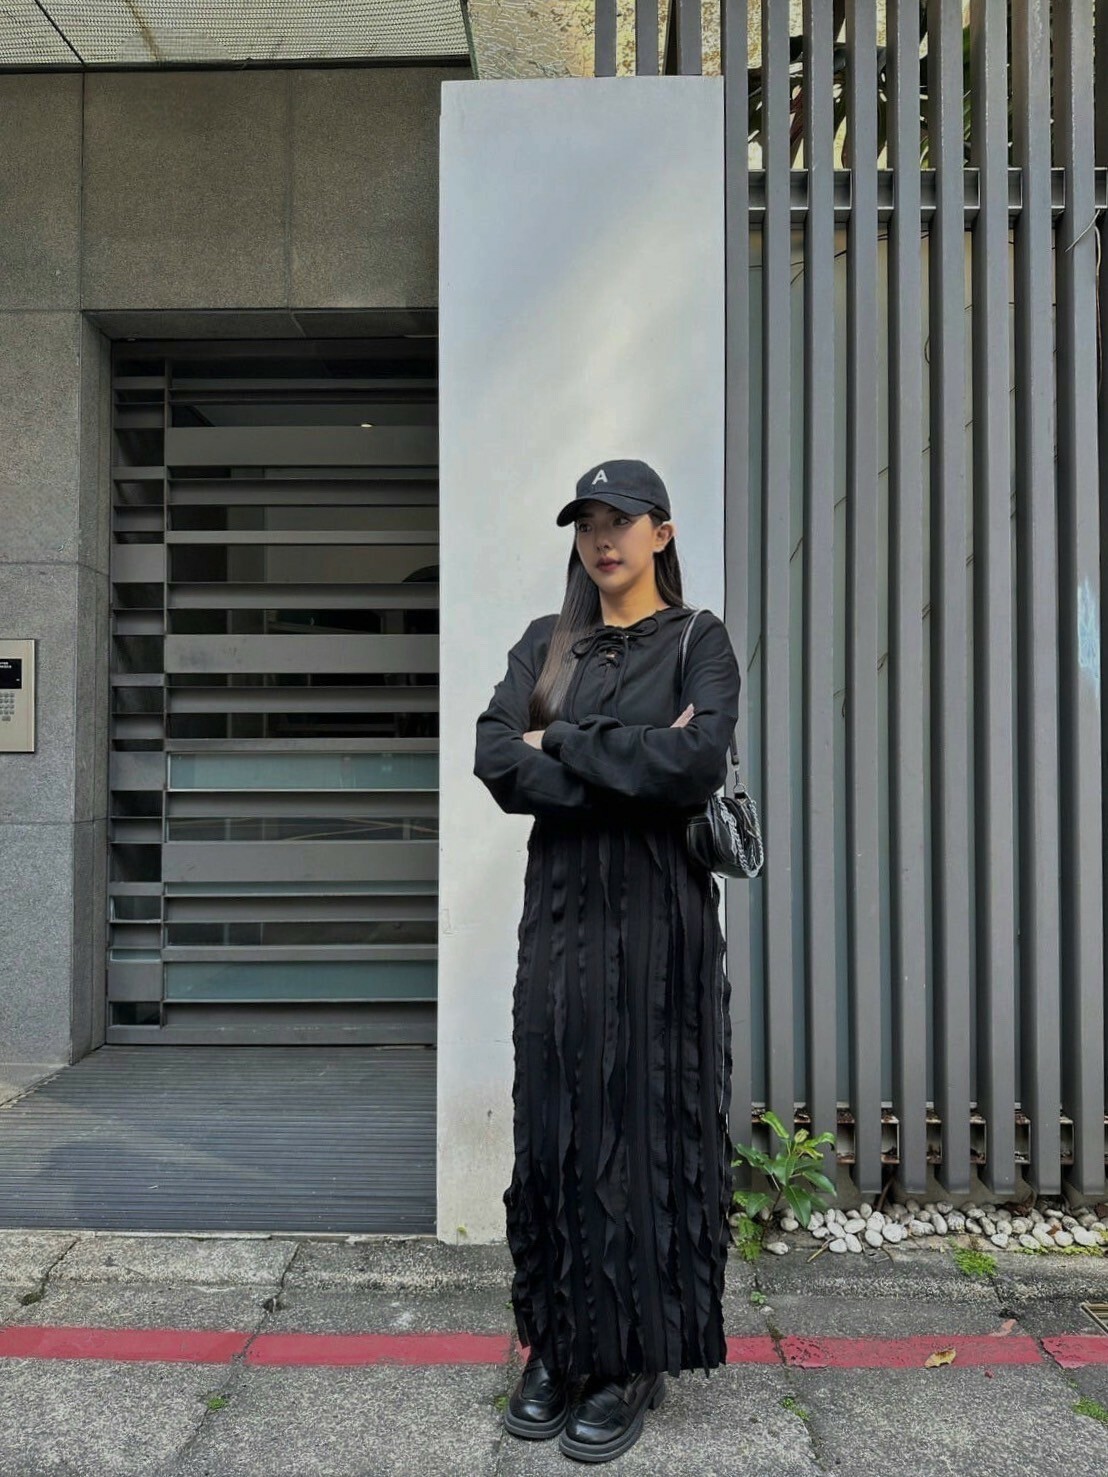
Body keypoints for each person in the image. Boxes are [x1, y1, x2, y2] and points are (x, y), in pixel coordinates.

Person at [473, 459, 741, 1464]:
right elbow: (496, 757)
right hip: (560, 920)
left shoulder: (699, 640)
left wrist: (563, 740)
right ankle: (557, 1343)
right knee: (554, 1126)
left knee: (645, 1123)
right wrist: (624, 758)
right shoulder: (545, 642)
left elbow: (696, 762)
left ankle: (632, 1356)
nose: (601, 538)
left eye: (620, 519)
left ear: (661, 532)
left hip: (661, 925)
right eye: (586, 522)